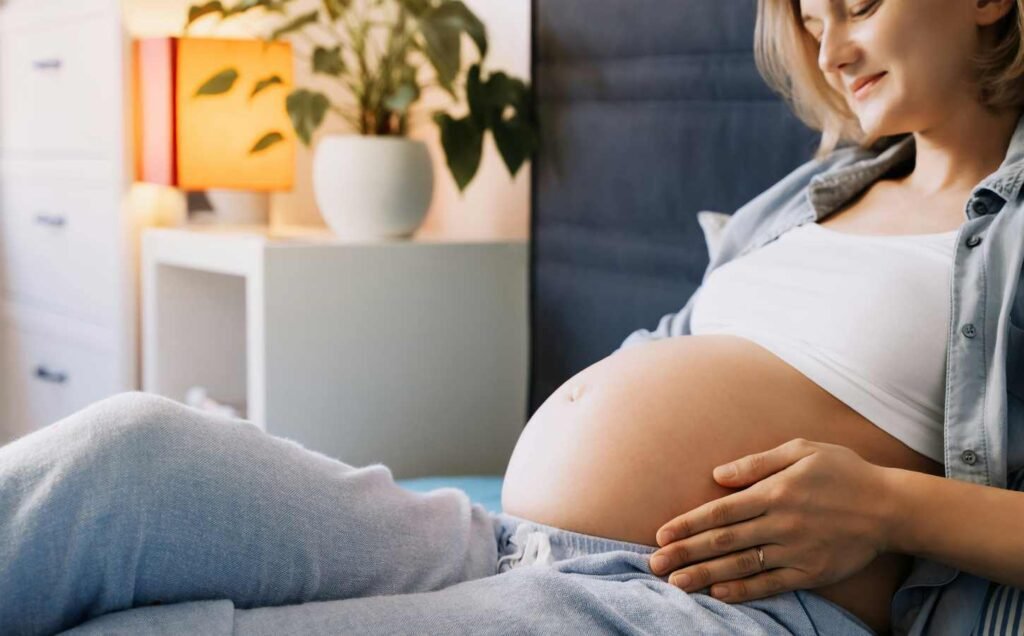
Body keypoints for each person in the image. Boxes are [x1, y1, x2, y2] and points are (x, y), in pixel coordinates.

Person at [2, 1, 1023, 635]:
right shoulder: (811, 194)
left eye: (858, 3)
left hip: (712, 605)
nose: (830, 43)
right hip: (509, 536)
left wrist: (887, 508)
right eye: (809, 13)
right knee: (126, 458)